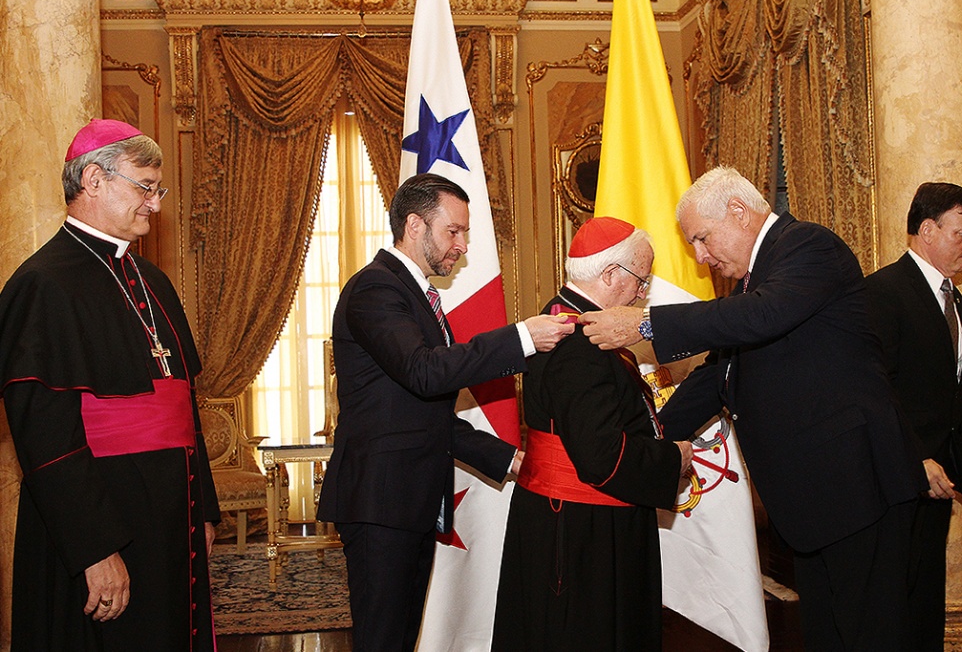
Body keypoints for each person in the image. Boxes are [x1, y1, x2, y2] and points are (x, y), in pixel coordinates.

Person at [578, 166, 927, 651]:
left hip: (858, 486)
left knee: (871, 635)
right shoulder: (754, 281)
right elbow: (718, 377)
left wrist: (646, 324)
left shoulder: (807, 246)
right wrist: (642, 441)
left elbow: (764, 315)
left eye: (701, 239)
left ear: (739, 212)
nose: (700, 258)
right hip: (815, 500)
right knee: (827, 635)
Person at [317, 172, 574, 652]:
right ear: (415, 225)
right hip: (380, 502)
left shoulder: (415, 294)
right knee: (381, 641)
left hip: (409, 501)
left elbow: (424, 413)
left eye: (465, 233)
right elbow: (424, 373)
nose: (462, 246)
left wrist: (510, 459)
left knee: (399, 639)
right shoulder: (375, 288)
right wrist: (522, 337)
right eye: (453, 231)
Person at [0, 119, 219, 651]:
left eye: (158, 190)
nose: (155, 204)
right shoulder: (41, 284)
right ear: (94, 180)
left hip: (171, 518)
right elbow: (45, 439)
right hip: (99, 521)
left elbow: (184, 409)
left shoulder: (154, 280)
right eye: (146, 187)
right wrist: (94, 549)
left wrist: (203, 509)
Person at [491, 217, 693, 652]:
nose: (642, 294)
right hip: (584, 529)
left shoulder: (563, 317)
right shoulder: (578, 344)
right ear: (611, 275)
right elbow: (602, 456)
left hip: (572, 518)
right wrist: (672, 459)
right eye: (641, 280)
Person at [864, 182, 962, 651]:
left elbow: (957, 395)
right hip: (894, 479)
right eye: (961, 234)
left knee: (925, 598)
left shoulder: (955, 299)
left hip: (939, 479)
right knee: (892, 602)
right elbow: (875, 391)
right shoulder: (883, 291)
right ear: (927, 231)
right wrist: (915, 459)